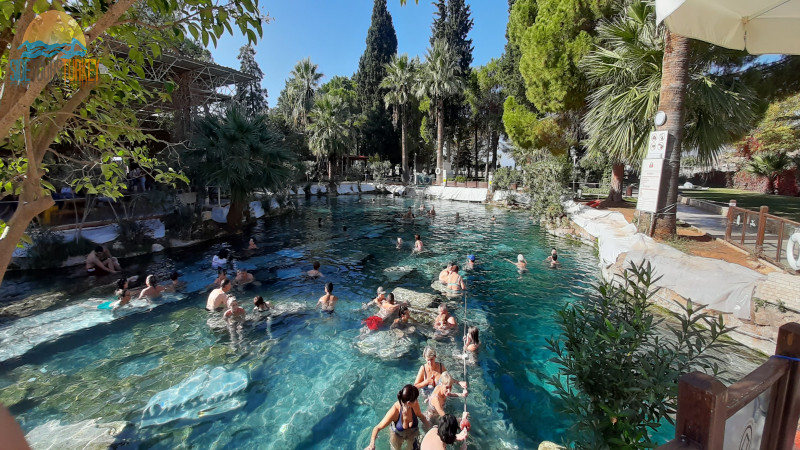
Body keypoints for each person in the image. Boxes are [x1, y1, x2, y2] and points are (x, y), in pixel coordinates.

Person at [365, 384, 431, 450]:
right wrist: (372, 444)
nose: (417, 401)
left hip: (412, 433)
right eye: (416, 399)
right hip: (397, 434)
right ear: (408, 403)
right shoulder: (395, 411)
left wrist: (430, 429)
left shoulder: (414, 405)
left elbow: (422, 417)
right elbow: (377, 428)